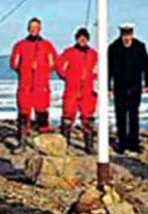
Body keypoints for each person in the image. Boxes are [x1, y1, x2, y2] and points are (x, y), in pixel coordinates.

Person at [9, 17, 59, 152]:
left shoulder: (47, 45)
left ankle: (44, 143)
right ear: (28, 28)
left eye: (36, 27)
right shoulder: (20, 45)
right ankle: (22, 142)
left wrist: (42, 70)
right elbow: (14, 63)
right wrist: (26, 69)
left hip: (41, 86)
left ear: (40, 28)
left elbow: (54, 63)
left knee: (42, 113)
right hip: (25, 85)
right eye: (31, 27)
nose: (33, 30)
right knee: (23, 113)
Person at [108, 23, 148, 154]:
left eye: (129, 34)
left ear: (132, 34)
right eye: (124, 35)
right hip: (119, 86)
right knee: (120, 115)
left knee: (134, 115)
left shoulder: (140, 47)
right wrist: (108, 87)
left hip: (135, 86)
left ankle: (133, 142)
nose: (127, 37)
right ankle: (122, 143)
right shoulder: (113, 47)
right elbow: (108, 68)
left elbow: (146, 66)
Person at [56, 27, 99, 153]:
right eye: (80, 38)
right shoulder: (69, 52)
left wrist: (94, 78)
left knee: (88, 118)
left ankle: (89, 146)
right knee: (68, 117)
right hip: (72, 89)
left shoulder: (93, 54)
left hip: (88, 91)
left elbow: (98, 69)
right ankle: (65, 144)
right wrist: (67, 77)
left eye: (84, 38)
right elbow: (59, 66)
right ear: (76, 39)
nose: (82, 40)